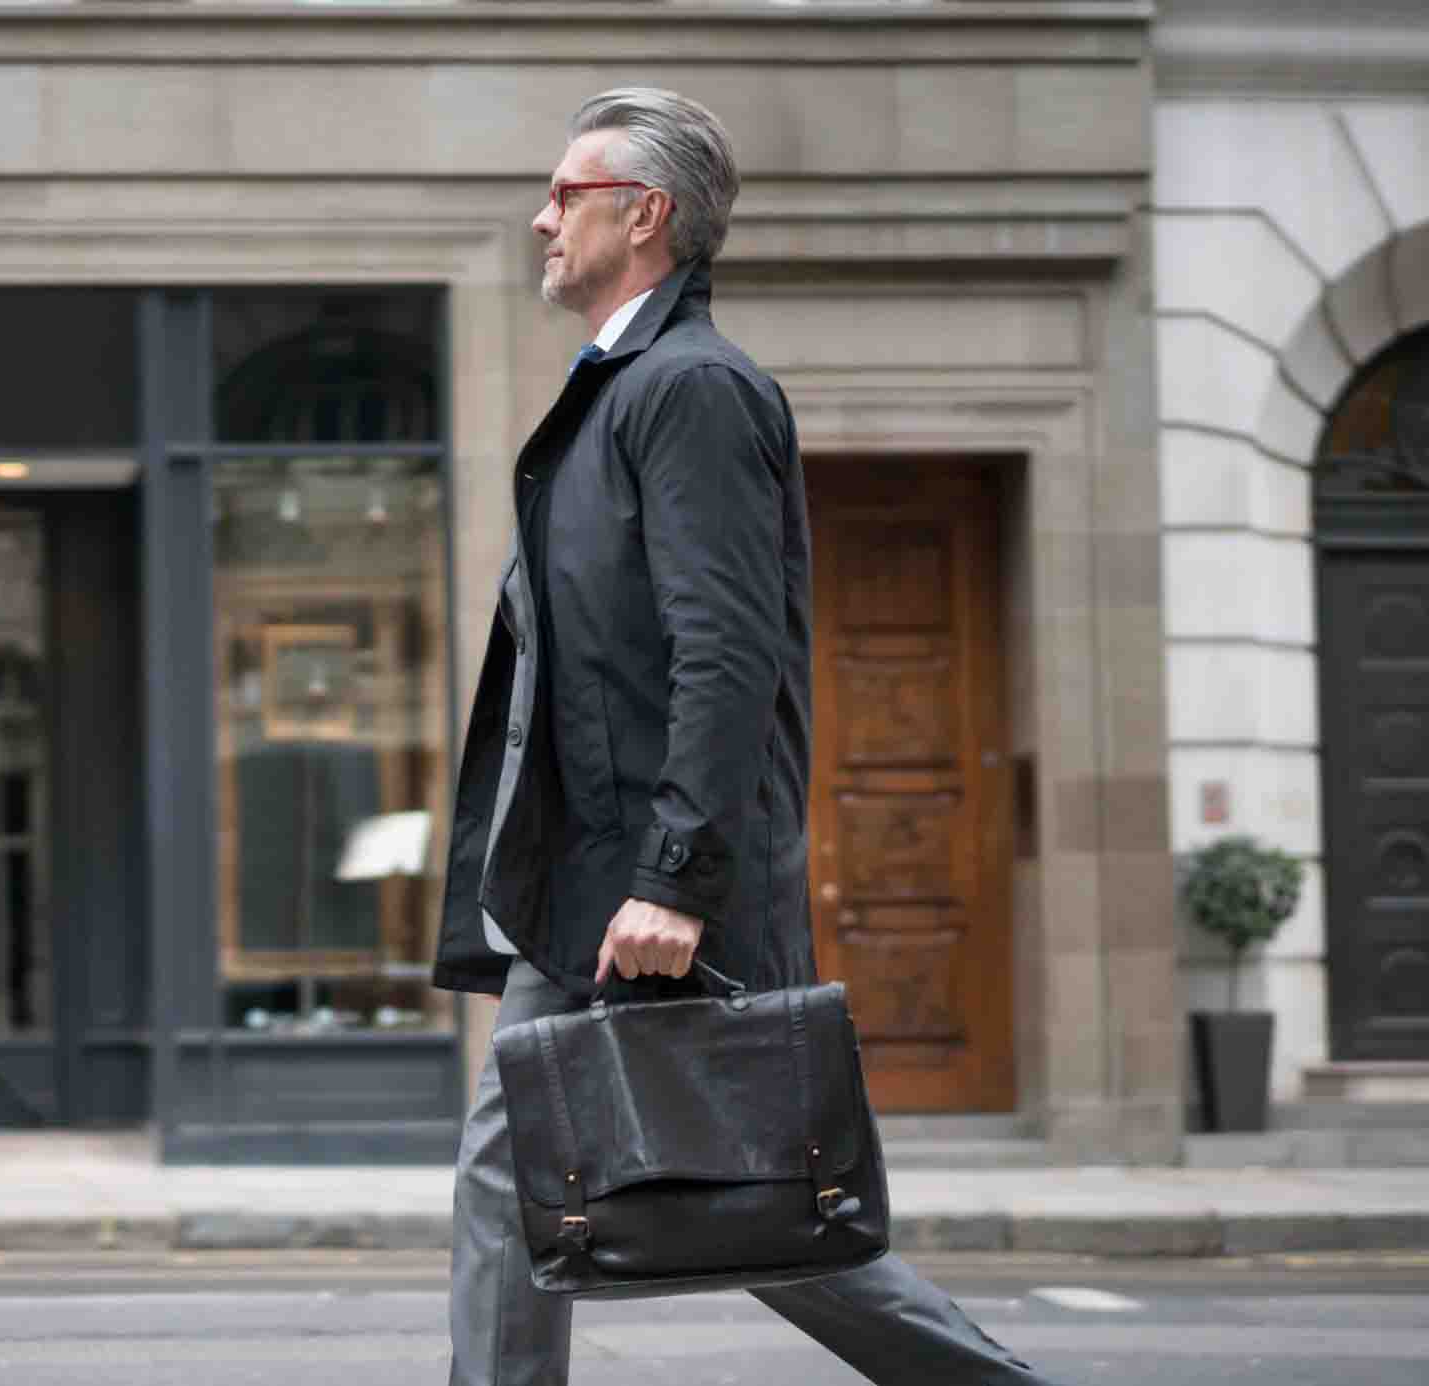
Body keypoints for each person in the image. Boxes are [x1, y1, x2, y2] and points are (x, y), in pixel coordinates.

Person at [434, 87, 1068, 1386]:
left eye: (566, 193)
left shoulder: (694, 391)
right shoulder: (617, 392)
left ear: (644, 215)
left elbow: (728, 649)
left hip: (658, 884)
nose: (539, 217)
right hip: (590, 882)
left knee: (771, 1212)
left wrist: (675, 877)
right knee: (521, 1179)